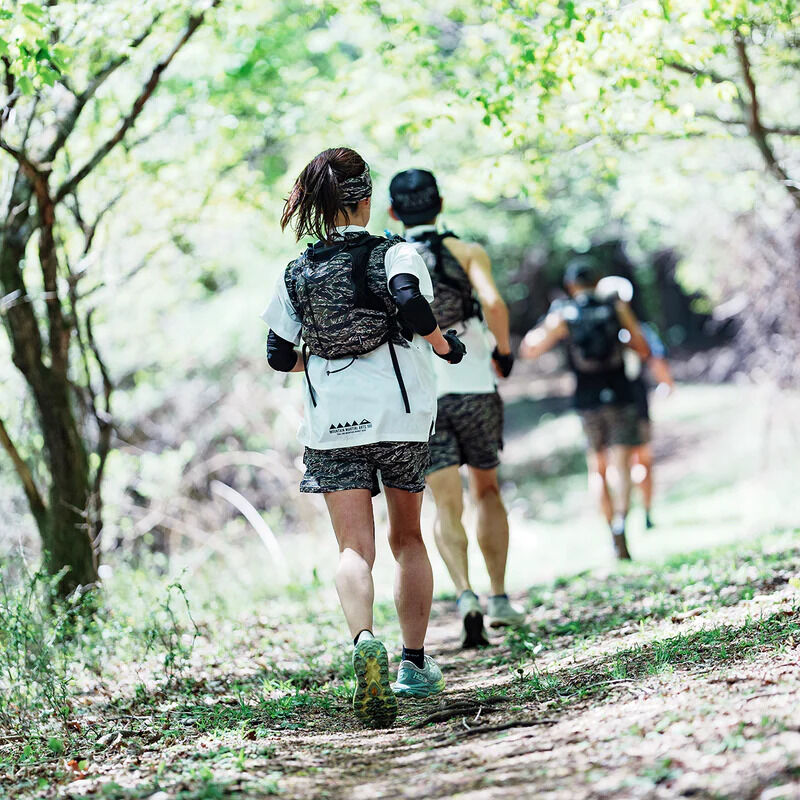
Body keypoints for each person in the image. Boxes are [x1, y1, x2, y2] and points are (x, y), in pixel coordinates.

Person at [261, 148, 466, 728]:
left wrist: (327, 361)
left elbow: (278, 354)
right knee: (407, 537)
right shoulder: (395, 251)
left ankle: (362, 643)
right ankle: (414, 664)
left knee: (354, 548)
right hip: (401, 418)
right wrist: (445, 346)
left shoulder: (296, 271)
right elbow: (409, 300)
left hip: (333, 426)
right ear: (367, 199)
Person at [389, 169, 525, 648]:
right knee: (485, 489)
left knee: (445, 502)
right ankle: (501, 598)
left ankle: (465, 594)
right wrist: (502, 352)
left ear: (392, 212)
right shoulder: (466, 252)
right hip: (474, 385)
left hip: (423, 396)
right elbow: (494, 303)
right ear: (440, 202)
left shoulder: (390, 258)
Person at [520, 259, 650, 560]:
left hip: (587, 397)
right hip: (620, 392)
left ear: (570, 286)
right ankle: (621, 522)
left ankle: (609, 529)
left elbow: (530, 349)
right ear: (598, 280)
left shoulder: (565, 313)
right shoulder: (615, 306)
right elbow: (643, 347)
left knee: (598, 468)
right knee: (622, 464)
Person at [596, 276, 675, 529]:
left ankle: (618, 522)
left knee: (609, 465)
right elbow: (655, 359)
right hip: (633, 400)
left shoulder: (589, 333)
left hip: (600, 402)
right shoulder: (639, 331)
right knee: (642, 459)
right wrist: (666, 384)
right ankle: (645, 514)